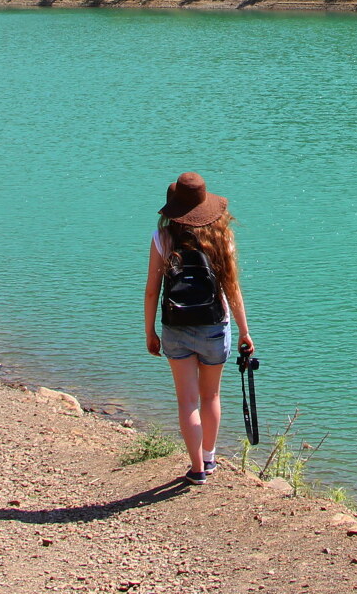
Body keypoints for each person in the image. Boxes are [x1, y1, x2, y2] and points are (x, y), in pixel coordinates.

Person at [143, 171, 253, 485]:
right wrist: (244, 332)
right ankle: (209, 457)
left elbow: (152, 291)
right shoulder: (221, 238)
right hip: (214, 326)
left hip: (176, 327)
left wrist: (150, 332)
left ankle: (196, 469)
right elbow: (232, 290)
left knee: (187, 401)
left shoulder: (162, 238)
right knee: (211, 396)